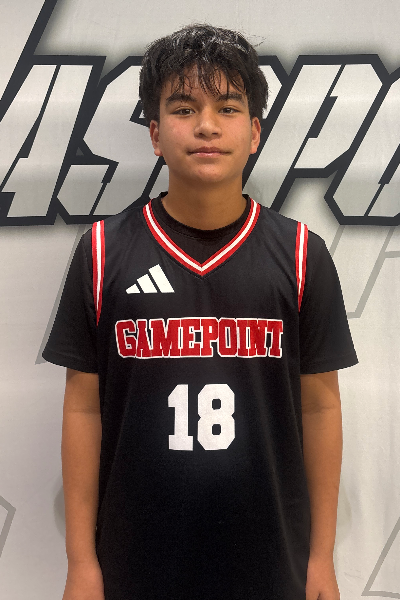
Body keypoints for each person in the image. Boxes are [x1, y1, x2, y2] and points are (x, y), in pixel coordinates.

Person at [43, 24, 358, 600]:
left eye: (228, 108)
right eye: (184, 108)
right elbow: (83, 408)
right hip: (136, 559)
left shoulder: (301, 255)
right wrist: (81, 562)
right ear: (155, 134)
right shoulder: (103, 252)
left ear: (255, 132)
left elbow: (320, 407)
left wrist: (322, 558)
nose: (207, 125)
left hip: (271, 559)